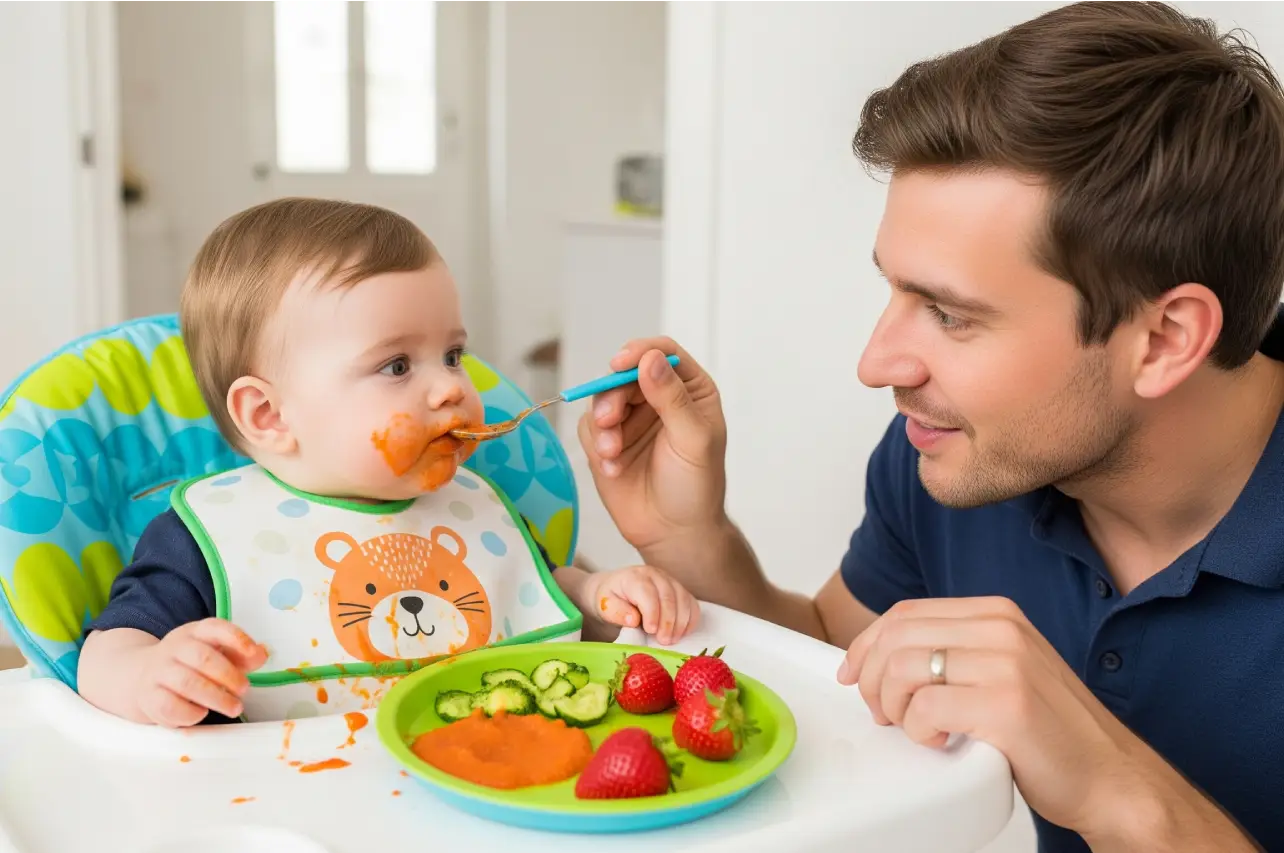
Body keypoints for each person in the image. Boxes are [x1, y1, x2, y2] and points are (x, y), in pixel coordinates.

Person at [579, 3, 1284, 851]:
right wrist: (689, 537)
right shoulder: (953, 454)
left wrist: (1114, 787)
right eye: (897, 291)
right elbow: (844, 657)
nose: (878, 364)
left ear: (1166, 340)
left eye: (950, 315)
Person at [77, 198, 699, 727]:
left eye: (453, 355)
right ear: (269, 415)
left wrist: (597, 592)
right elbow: (104, 650)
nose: (452, 388)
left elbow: (534, 588)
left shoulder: (476, 503)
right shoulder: (210, 533)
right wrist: (147, 673)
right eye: (397, 366)